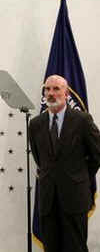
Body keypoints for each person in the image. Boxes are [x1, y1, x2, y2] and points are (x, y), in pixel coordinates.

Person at [29, 75, 100, 252]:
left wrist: (79, 175)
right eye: (47, 89)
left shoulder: (82, 120)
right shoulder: (35, 124)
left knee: (75, 248)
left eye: (56, 89)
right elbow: (40, 158)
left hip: (75, 198)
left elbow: (97, 155)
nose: (51, 93)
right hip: (48, 200)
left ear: (66, 93)